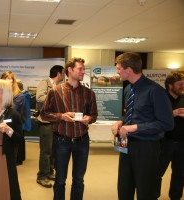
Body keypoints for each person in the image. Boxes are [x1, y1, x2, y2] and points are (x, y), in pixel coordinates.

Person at [111, 52, 174, 200]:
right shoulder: (128, 89)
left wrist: (134, 128)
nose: (117, 71)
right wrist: (121, 121)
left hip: (147, 147)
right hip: (126, 146)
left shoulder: (155, 91)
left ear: (128, 70)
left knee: (145, 190)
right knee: (124, 188)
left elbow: (167, 123)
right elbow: (130, 114)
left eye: (119, 68)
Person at [40, 58, 98, 200]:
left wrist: (89, 119)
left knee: (79, 180)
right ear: (69, 70)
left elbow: (94, 115)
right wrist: (61, 116)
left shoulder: (89, 93)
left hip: (82, 140)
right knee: (60, 180)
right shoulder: (55, 91)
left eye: (84, 69)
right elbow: (44, 114)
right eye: (80, 69)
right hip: (61, 141)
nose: (83, 71)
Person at [156, 72, 184, 200]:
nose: (182, 86)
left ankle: (175, 197)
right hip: (164, 143)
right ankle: (152, 195)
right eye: (180, 84)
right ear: (170, 85)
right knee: (157, 172)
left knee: (179, 174)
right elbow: (153, 118)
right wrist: (172, 113)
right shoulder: (161, 99)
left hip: (181, 143)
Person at [36, 65, 64, 188]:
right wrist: (55, 97)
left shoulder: (60, 86)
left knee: (53, 150)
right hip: (46, 122)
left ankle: (50, 172)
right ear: (59, 74)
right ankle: (42, 176)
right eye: (63, 73)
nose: (64, 76)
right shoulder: (45, 83)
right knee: (46, 151)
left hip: (56, 122)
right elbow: (40, 98)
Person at [0, 71, 25, 165]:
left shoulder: (19, 95)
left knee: (10, 159)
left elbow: (9, 109)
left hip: (12, 128)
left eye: (9, 78)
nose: (7, 81)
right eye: (5, 78)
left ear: (13, 81)